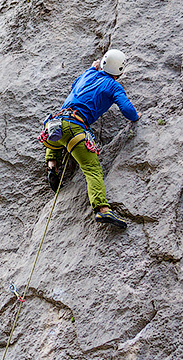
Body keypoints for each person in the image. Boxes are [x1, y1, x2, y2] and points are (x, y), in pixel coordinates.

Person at [39, 49, 140, 229]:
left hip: (55, 123)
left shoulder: (88, 74)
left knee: (58, 136)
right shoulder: (114, 86)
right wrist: (136, 116)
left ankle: (52, 165)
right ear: (121, 71)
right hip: (75, 128)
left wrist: (92, 69)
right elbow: (127, 110)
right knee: (92, 169)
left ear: (102, 64)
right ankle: (101, 209)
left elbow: (75, 85)